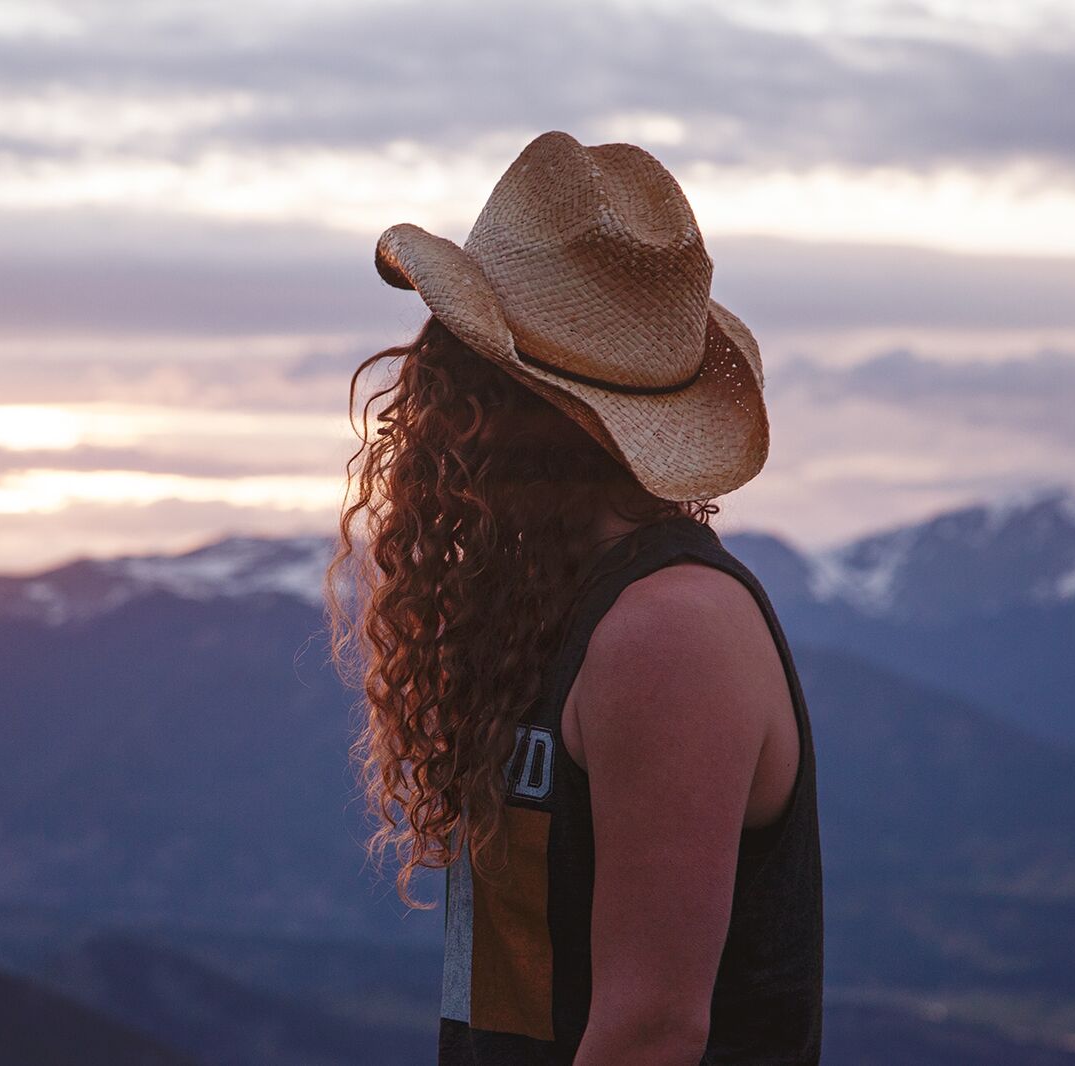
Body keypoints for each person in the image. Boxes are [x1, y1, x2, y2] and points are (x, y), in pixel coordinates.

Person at [326, 131, 823, 1064]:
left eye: (452, 360)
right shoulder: (564, 611)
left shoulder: (668, 629)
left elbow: (650, 1034)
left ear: (489, 399)